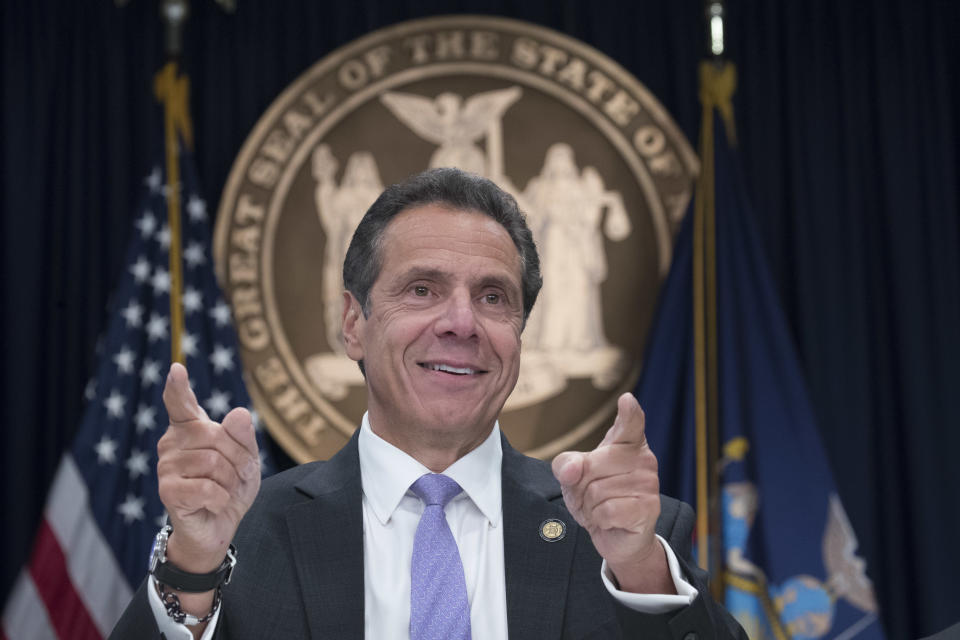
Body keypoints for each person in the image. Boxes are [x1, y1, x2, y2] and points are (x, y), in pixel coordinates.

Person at [109, 168, 745, 639]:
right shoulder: (245, 533)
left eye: (494, 297)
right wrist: (193, 562)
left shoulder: (625, 537)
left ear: (519, 333)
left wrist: (638, 569)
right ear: (353, 323)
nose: (461, 323)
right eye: (422, 289)